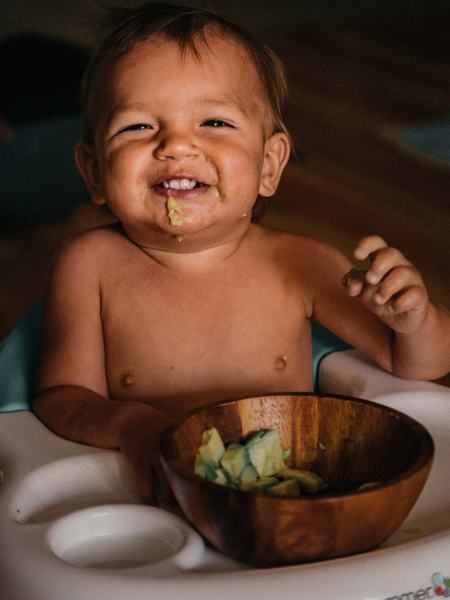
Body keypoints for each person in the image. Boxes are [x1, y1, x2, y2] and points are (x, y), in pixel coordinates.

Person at [33, 2, 450, 503]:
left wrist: (414, 321)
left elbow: (417, 366)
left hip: (292, 495)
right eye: (138, 127)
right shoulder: (90, 265)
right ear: (94, 171)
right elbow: (61, 399)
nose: (177, 145)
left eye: (214, 121)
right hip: (156, 494)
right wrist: (133, 426)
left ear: (269, 165)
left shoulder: (300, 264)